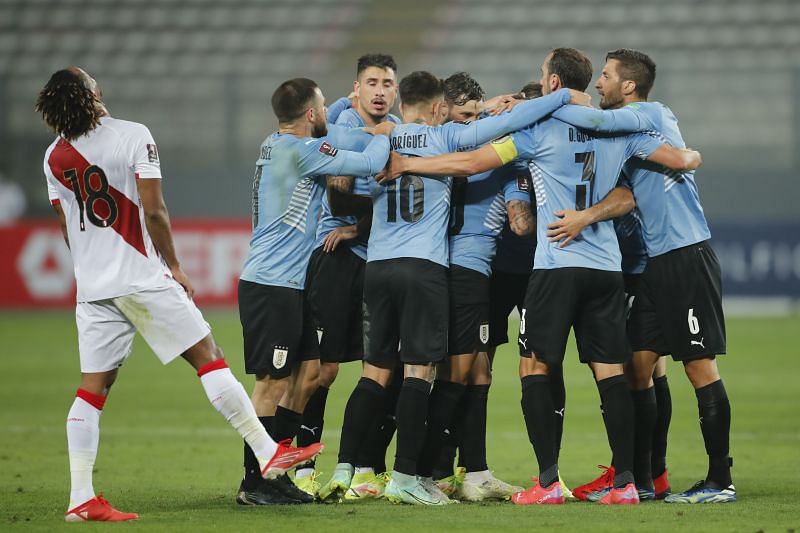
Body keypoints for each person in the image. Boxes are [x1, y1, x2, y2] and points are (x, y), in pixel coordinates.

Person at [385, 47, 701, 505]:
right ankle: (628, 482)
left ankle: (549, 483)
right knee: (611, 371)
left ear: (553, 84)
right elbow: (673, 163)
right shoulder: (626, 130)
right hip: (606, 268)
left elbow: (472, 163)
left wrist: (410, 163)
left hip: (556, 266)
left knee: (534, 364)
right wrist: (691, 156)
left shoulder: (537, 129)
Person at [35, 67, 323, 521]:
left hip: (93, 287)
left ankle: (81, 498)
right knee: (209, 356)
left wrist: (94, 267)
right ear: (93, 94)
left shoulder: (53, 156)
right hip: (141, 276)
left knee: (93, 390)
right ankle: (267, 452)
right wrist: (173, 266)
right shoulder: (131, 134)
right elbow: (155, 211)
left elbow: (68, 228)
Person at [319, 70, 582, 505]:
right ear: (441, 109)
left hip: (380, 267)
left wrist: (341, 112)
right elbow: (500, 134)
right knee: (428, 373)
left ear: (402, 102)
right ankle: (415, 474)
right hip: (432, 268)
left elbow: (332, 150)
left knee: (379, 373)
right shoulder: (452, 142)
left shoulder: (385, 138)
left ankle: (351, 471)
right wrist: (560, 98)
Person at [542, 48, 733, 503]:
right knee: (637, 366)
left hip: (686, 254)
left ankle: (719, 480)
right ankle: (642, 478)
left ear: (628, 86)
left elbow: (600, 127)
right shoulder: (633, 134)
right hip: (655, 264)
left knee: (699, 367)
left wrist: (544, 99)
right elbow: (628, 193)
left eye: (605, 77)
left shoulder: (647, 113)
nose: (599, 84)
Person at [237, 77, 392, 505]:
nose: (331, 110)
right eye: (324, 106)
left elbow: (321, 118)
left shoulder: (276, 141)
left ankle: (278, 472)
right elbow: (364, 163)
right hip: (271, 284)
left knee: (309, 374)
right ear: (311, 114)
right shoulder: (304, 152)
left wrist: (346, 99)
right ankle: (254, 481)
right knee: (271, 383)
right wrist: (383, 133)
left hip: (293, 284)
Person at [298, 54, 401, 498]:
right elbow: (338, 198)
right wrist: (362, 216)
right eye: (372, 82)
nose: (380, 91)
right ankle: (302, 465)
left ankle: (368, 468)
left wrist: (362, 226)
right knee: (322, 370)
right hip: (334, 257)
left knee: (385, 368)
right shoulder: (337, 119)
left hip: (377, 260)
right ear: (356, 89)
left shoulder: (399, 130)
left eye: (387, 83)